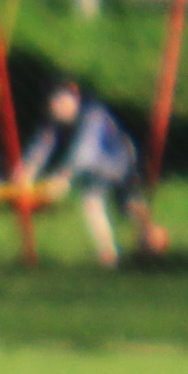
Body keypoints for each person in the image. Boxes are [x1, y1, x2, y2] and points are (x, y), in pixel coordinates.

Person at [31, 78, 145, 265]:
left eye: (63, 102)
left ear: (75, 99)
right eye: (54, 105)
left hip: (119, 159)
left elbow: (85, 152)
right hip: (94, 168)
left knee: (130, 205)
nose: (59, 109)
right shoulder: (55, 122)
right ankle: (108, 253)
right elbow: (40, 147)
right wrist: (26, 172)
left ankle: (147, 236)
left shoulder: (93, 114)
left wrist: (63, 178)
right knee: (92, 202)